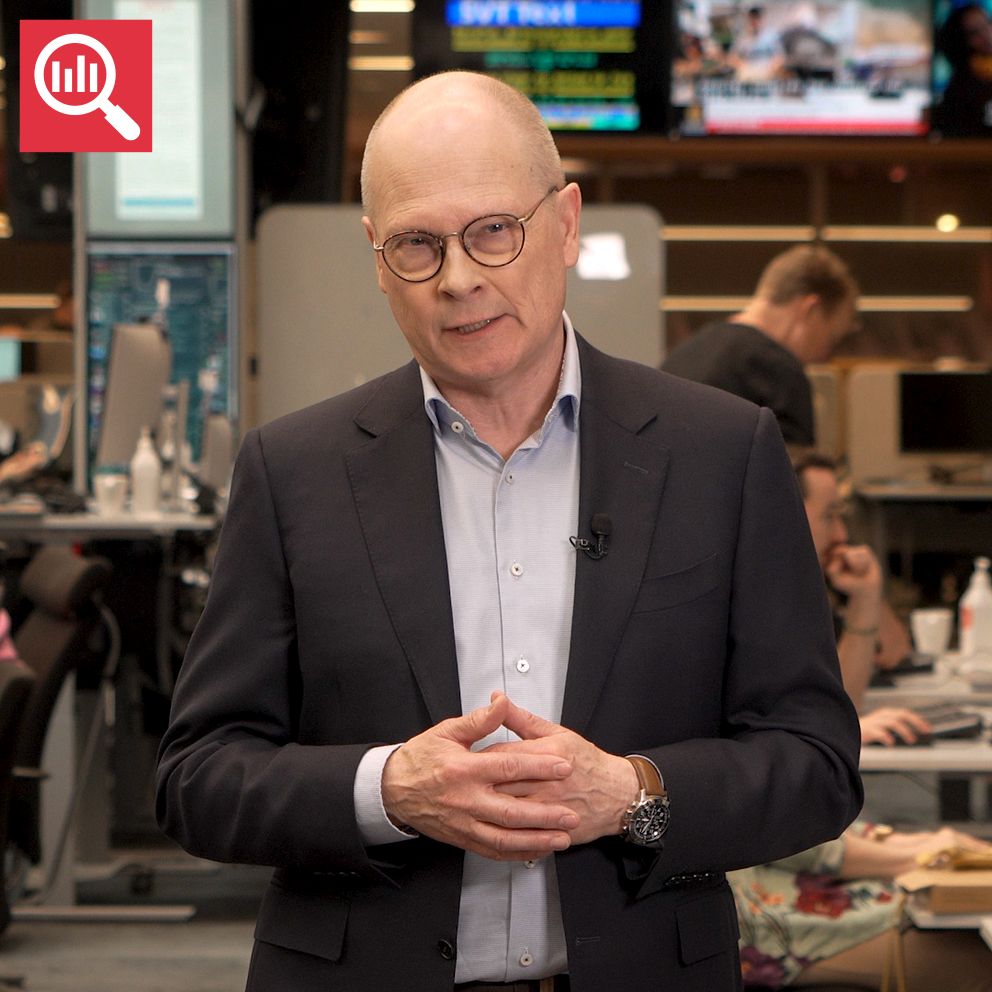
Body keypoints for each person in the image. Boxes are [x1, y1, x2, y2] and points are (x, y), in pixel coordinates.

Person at [156, 71, 862, 992]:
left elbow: (815, 764)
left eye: (494, 230)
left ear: (565, 224)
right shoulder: (293, 471)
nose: (459, 279)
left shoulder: (721, 454)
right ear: (378, 258)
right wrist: (388, 791)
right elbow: (198, 777)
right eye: (417, 244)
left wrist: (635, 798)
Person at [731, 821, 992, 990]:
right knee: (977, 962)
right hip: (773, 929)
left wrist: (923, 843)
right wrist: (921, 855)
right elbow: (806, 843)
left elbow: (812, 826)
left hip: (789, 905)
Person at [662, 244, 859, 446]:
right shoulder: (781, 371)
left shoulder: (685, 354)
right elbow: (797, 465)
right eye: (831, 339)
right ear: (811, 310)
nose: (825, 356)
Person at [793, 451, 928, 746]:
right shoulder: (765, 602)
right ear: (788, 516)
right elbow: (833, 710)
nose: (841, 534)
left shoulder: (817, 579)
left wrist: (868, 592)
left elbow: (893, 651)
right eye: (829, 516)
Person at [932, 3, 992, 138]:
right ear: (961, 42)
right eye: (974, 32)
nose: (987, 35)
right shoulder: (960, 91)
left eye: (988, 24)